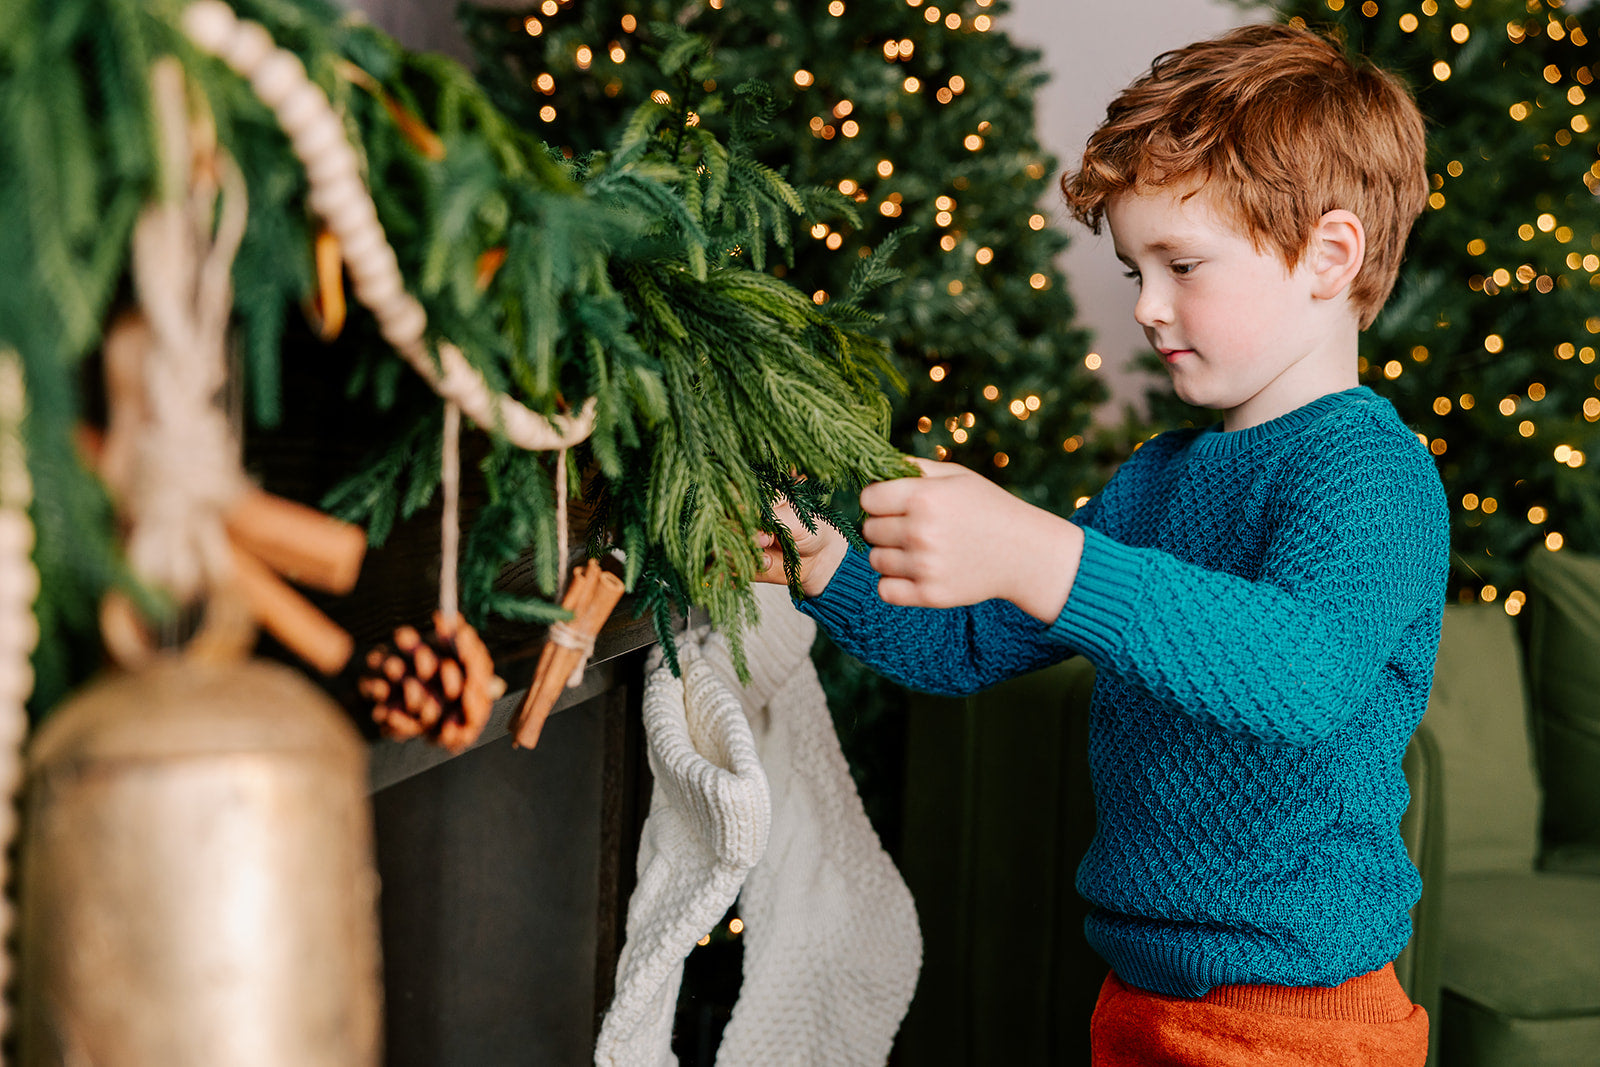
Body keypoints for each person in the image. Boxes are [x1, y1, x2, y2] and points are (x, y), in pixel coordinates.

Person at [753, 22, 1448, 1067]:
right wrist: (826, 570)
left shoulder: (1368, 472)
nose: (1147, 308)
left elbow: (1304, 671)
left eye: (1181, 262)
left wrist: (1043, 557)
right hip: (1133, 994)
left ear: (1328, 253)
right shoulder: (1158, 478)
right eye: (1133, 268)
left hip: (1299, 1019)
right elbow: (968, 646)